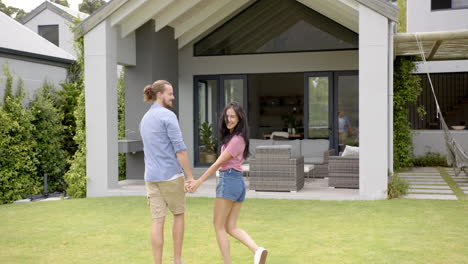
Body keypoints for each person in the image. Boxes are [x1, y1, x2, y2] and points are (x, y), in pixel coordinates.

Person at [187, 102, 268, 264]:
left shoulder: (236, 140)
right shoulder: (236, 138)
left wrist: (198, 182)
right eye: (227, 116)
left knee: (218, 226)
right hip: (237, 182)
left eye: (233, 117)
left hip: (229, 180)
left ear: (240, 119)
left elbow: (217, 164)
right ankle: (257, 250)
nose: (229, 119)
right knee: (231, 227)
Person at [139, 80, 194, 264]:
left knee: (157, 221)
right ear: (160, 94)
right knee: (178, 215)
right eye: (170, 93)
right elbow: (180, 150)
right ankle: (177, 261)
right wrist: (190, 177)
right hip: (170, 176)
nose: (173, 97)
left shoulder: (145, 119)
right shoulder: (168, 116)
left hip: (151, 178)